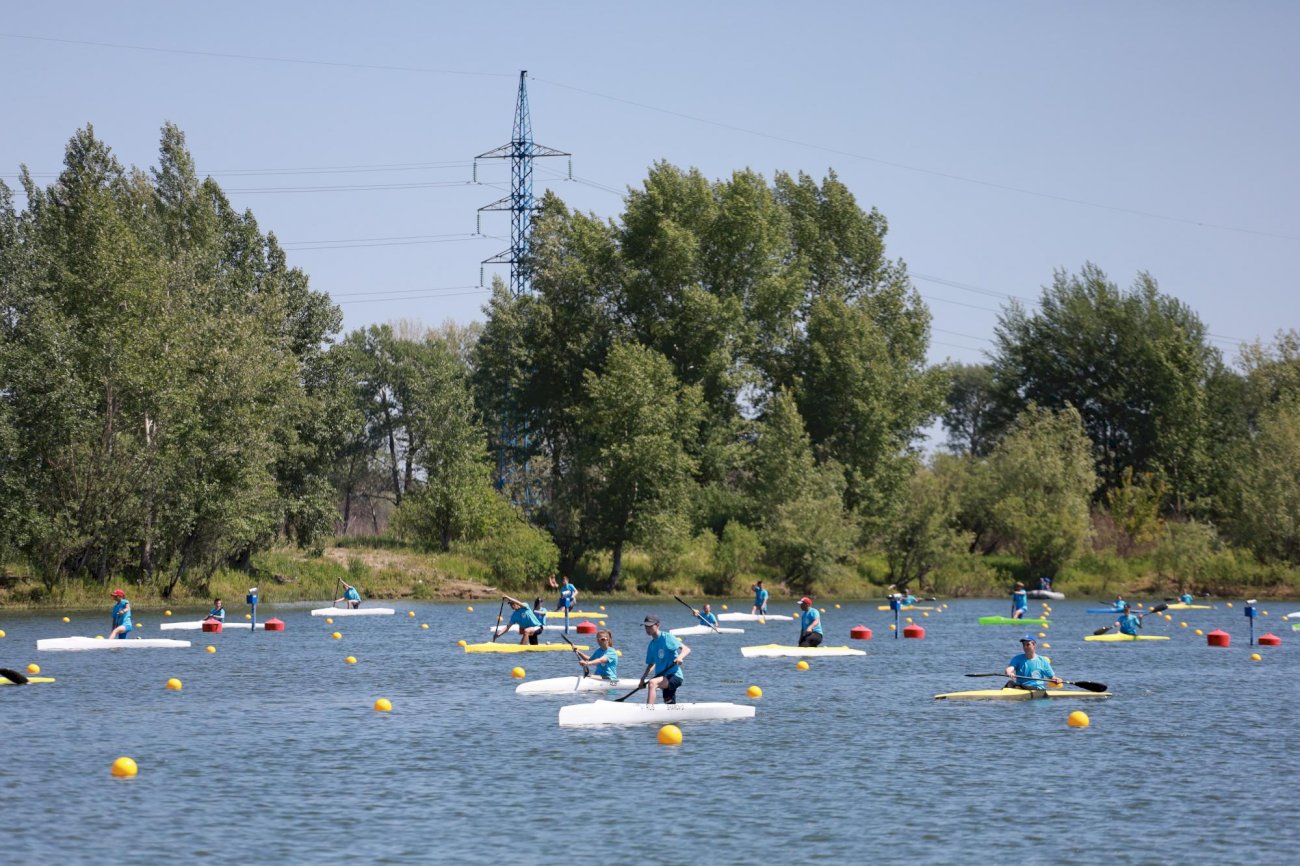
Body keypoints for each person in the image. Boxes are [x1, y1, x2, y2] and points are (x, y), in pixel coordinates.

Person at [640, 615, 688, 705]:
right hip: (663, 677)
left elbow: (686, 649)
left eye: (650, 626)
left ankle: (648, 710)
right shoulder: (651, 645)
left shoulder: (667, 637)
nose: (647, 628)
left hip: (674, 676)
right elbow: (651, 664)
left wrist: (680, 657)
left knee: (652, 683)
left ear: (657, 625)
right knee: (669, 704)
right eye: (646, 626)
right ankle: (674, 716)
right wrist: (642, 679)